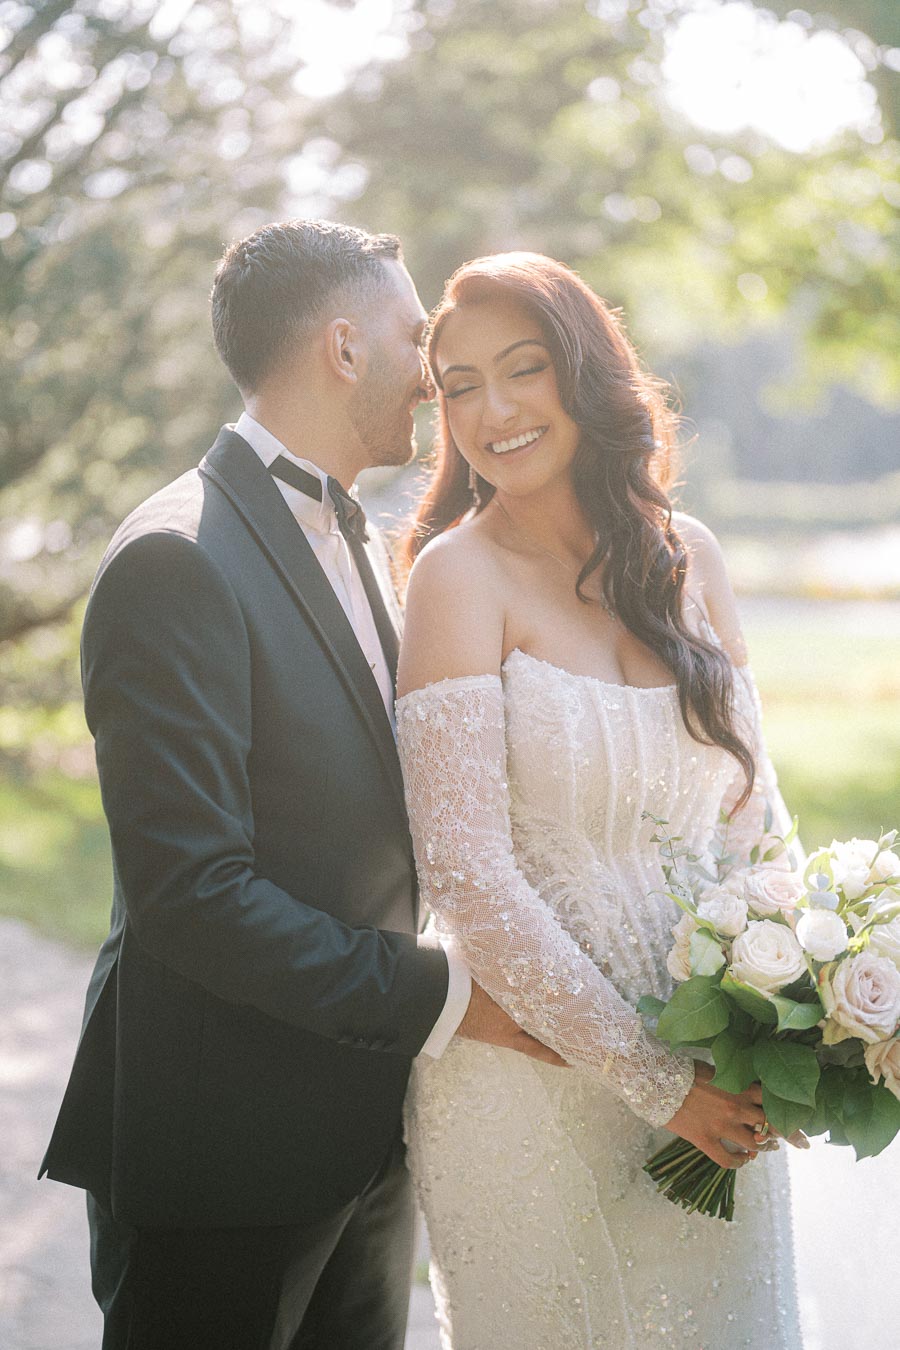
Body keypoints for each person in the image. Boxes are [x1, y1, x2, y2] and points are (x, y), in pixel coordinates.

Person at [39, 220, 562, 1350]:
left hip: (363, 1134)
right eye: (415, 338)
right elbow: (193, 899)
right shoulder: (175, 558)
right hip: (219, 1145)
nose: (432, 376)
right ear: (342, 347)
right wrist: (449, 997)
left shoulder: (368, 537)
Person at [395, 252, 805, 1349]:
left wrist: (781, 1021)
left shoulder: (692, 558)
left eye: (523, 369)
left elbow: (756, 816)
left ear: (586, 374)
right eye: (460, 385)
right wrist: (654, 1081)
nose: (494, 409)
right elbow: (467, 873)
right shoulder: (456, 577)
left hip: (726, 1082)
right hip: (531, 1093)